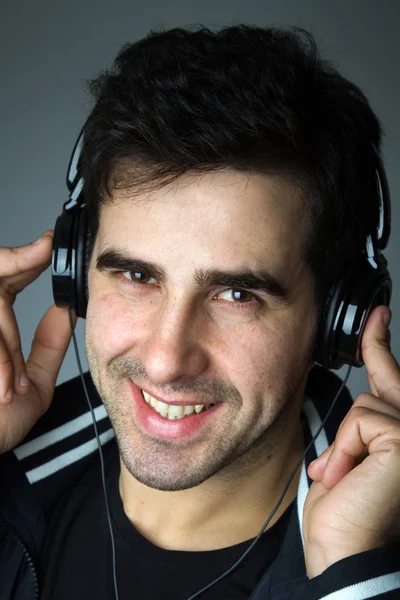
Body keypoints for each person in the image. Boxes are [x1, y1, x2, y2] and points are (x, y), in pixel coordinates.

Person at [0, 24, 399, 600]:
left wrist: (353, 579)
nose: (165, 360)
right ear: (77, 270)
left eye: (238, 295)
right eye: (138, 277)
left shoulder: (369, 562)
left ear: (340, 319)